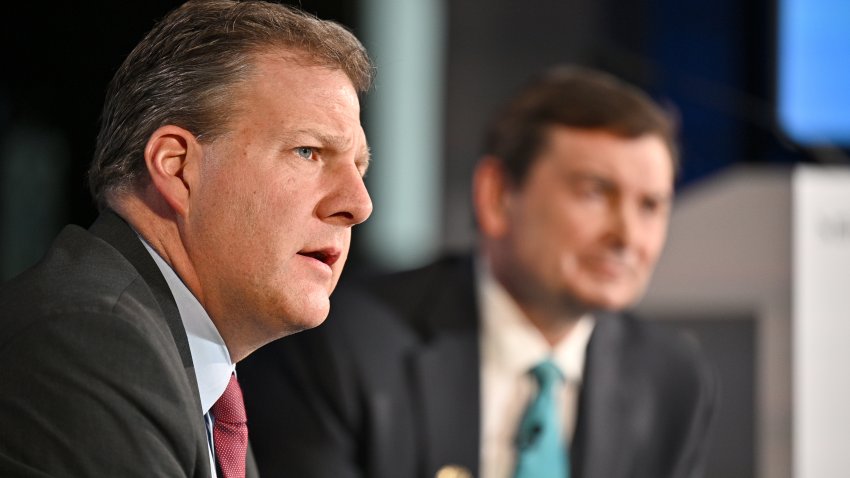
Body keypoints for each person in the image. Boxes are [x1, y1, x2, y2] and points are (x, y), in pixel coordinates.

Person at [239, 65, 718, 478]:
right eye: (595, 192)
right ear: (496, 195)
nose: (628, 236)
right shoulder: (343, 345)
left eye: (651, 206)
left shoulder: (672, 378)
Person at [0, 1, 373, 476]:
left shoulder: (193, 374)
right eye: (308, 151)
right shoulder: (89, 339)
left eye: (359, 167)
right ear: (177, 169)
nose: (359, 204)